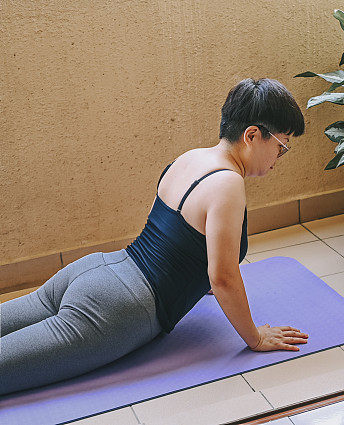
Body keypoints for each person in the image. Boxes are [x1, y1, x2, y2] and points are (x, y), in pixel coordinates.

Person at [0, 78, 309, 396]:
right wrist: (255, 338)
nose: (277, 159)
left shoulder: (190, 158)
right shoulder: (228, 184)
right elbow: (223, 278)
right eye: (281, 147)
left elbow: (173, 236)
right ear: (253, 136)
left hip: (96, 270)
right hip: (117, 308)